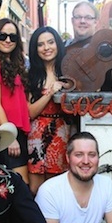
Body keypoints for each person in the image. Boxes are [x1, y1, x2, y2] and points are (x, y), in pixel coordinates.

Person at [0, 18, 30, 183]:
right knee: (18, 185)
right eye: (3, 36)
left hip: (17, 131)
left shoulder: (14, 64)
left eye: (13, 37)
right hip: (6, 132)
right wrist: (9, 136)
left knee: (17, 186)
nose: (8, 40)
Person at [27, 26, 74, 195]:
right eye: (40, 44)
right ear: (35, 49)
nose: (46, 48)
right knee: (35, 188)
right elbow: (30, 112)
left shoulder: (68, 71)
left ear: (58, 44)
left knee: (58, 187)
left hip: (62, 131)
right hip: (37, 133)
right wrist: (50, 94)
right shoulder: (31, 74)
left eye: (50, 42)